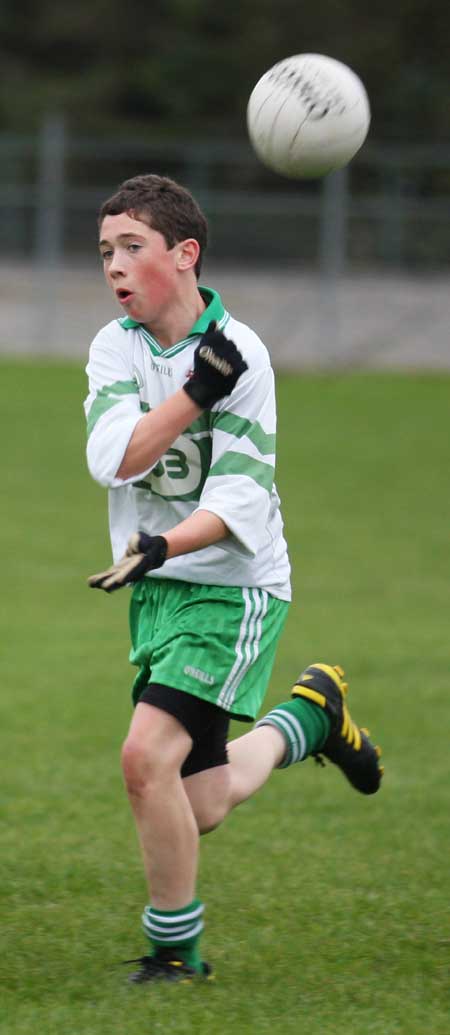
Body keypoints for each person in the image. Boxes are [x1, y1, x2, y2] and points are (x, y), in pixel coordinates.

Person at [85, 173, 383, 985]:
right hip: (159, 584)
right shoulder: (116, 346)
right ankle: (310, 719)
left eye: (132, 248)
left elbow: (241, 499)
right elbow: (113, 456)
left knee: (145, 759)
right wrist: (192, 396)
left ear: (186, 254)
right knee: (203, 800)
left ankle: (173, 955)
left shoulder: (244, 353)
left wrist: (162, 544)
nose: (114, 265)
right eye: (106, 249)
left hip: (231, 585)